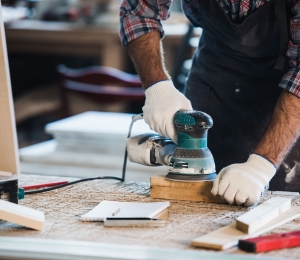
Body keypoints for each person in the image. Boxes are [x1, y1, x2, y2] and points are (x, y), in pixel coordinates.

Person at [119, 0, 300, 206]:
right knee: (199, 197)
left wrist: (260, 167)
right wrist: (157, 88)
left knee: (284, 203)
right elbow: (139, 13)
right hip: (215, 74)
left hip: (289, 97)